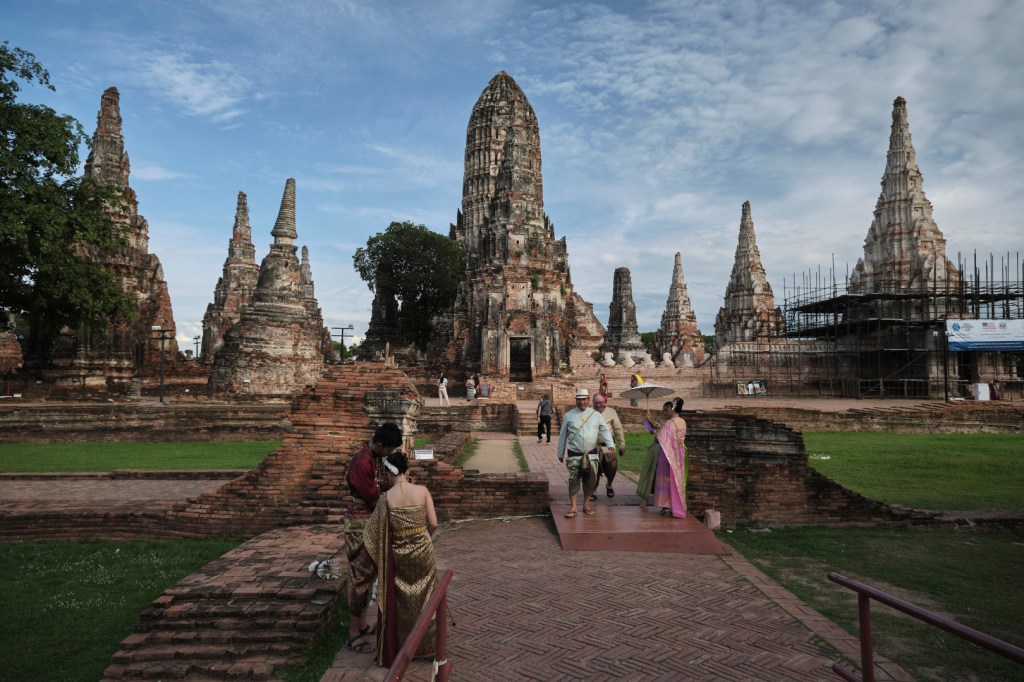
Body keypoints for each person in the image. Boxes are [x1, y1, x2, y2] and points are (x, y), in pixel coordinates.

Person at [363, 450, 439, 668]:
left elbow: (371, 534)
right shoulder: (422, 491)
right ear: (408, 470)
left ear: (389, 474)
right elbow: (433, 523)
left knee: (402, 600)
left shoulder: (385, 498)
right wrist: (425, 539)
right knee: (426, 597)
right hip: (423, 549)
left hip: (398, 553)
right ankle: (428, 646)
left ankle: (403, 644)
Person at [344, 422, 403, 654]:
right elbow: (370, 496)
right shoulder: (362, 462)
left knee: (368, 574)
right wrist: (397, 500)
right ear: (379, 444)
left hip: (370, 519)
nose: (388, 454)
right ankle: (352, 633)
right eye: (388, 450)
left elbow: (381, 485)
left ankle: (361, 623)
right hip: (359, 523)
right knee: (359, 576)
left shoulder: (374, 458)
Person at [556, 388, 614, 518]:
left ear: (588, 400)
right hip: (574, 454)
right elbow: (562, 436)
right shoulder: (568, 415)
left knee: (591, 480)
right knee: (573, 480)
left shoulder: (596, 415)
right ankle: (573, 506)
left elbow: (605, 431)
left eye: (584, 399)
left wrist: (610, 445)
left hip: (592, 454)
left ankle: (586, 504)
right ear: (576, 400)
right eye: (579, 399)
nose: (581, 402)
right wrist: (560, 452)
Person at [652, 398, 687, 517]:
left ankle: (666, 505)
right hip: (680, 453)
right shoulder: (682, 421)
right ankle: (677, 505)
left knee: (666, 479)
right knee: (677, 479)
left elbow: (659, 439)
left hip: (668, 454)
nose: (665, 413)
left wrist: (654, 431)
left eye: (666, 410)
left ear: (672, 409)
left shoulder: (669, 423)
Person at [591, 392, 625, 499]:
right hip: (593, 446)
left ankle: (609, 484)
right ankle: (593, 490)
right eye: (596, 403)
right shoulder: (589, 412)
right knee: (593, 469)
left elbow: (618, 429)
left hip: (608, 446)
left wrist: (622, 444)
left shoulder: (611, 412)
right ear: (592, 403)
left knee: (612, 467)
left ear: (605, 402)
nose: (598, 405)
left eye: (600, 402)